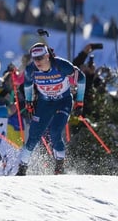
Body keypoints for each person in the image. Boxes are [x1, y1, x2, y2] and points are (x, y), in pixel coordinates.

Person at [16, 42, 86, 176]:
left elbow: (81, 79)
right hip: (45, 103)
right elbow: (27, 86)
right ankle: (22, 168)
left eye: (40, 58)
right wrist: (29, 103)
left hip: (63, 101)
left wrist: (80, 101)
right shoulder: (31, 69)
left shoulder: (62, 65)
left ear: (47, 56)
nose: (37, 62)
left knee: (55, 132)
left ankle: (59, 166)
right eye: (35, 59)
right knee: (33, 137)